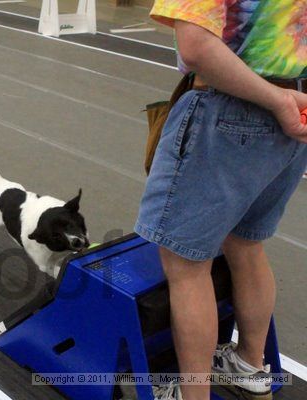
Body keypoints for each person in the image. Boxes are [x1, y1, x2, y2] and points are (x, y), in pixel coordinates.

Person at [134, 1, 307, 399]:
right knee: (246, 242)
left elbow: (196, 47)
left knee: (187, 265)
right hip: (293, 118)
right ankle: (249, 363)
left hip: (232, 110)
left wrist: (276, 101)